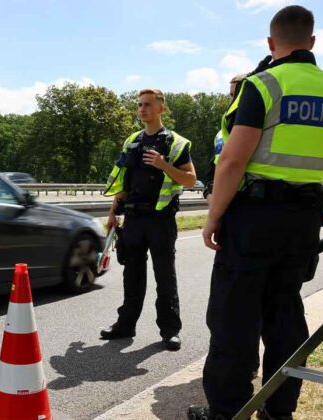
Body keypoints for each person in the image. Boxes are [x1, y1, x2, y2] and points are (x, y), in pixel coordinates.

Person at [188, 5, 323, 420]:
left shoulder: (262, 85)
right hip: (304, 219)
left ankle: (227, 411)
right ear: (312, 41)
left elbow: (232, 161)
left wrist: (212, 217)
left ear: (270, 43)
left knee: (234, 318)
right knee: (285, 316)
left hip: (253, 219)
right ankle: (279, 409)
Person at [101, 88, 196, 351]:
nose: (142, 109)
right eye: (140, 105)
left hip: (161, 221)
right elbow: (123, 181)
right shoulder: (132, 140)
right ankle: (125, 325)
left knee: (165, 277)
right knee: (132, 275)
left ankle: (170, 331)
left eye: (147, 105)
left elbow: (190, 180)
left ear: (161, 108)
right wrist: (112, 212)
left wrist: (164, 165)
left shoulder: (175, 142)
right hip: (132, 219)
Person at [203, 74, 248, 204]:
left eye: (239, 95)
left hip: (250, 206)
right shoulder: (220, 135)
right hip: (224, 208)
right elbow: (212, 172)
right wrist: (210, 196)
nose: (234, 100)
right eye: (231, 95)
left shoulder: (261, 131)